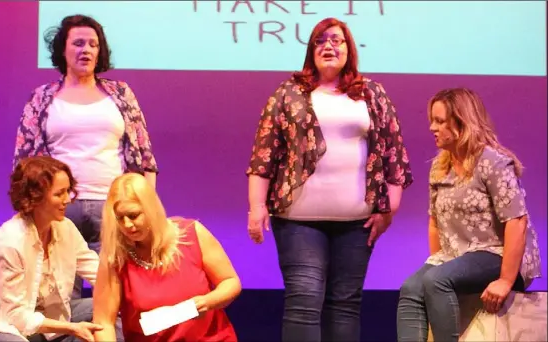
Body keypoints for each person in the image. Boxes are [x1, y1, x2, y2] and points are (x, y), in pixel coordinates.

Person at [246, 17, 413, 342]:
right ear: (311, 51)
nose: (329, 47)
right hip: (297, 220)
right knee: (304, 301)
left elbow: (394, 153)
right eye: (321, 41)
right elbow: (263, 153)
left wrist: (389, 209)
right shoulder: (288, 93)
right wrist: (256, 207)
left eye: (337, 40)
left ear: (349, 49)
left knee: (345, 304)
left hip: (357, 222)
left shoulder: (371, 93)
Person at [12, 14, 158, 299]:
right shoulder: (41, 98)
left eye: (93, 44)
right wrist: (28, 210)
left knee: (117, 293)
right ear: (62, 50)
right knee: (60, 297)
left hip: (113, 208)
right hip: (59, 209)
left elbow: (144, 156)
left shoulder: (120, 94)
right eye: (78, 43)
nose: (87, 50)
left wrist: (147, 207)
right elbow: (24, 160)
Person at [396, 88, 542, 341]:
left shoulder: (493, 163)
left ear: (462, 124)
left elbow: (517, 221)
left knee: (436, 281)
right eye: (432, 120)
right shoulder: (440, 167)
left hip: (496, 251)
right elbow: (435, 223)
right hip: (458, 255)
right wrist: (440, 262)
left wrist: (505, 280)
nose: (432, 127)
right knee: (411, 288)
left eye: (440, 121)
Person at [0, 156, 124, 342]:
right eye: (59, 194)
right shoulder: (10, 241)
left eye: (68, 191)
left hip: (46, 318)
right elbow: (17, 317)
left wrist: (136, 294)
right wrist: (72, 328)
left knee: (108, 308)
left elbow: (97, 272)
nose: (68, 199)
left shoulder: (65, 228)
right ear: (35, 197)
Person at [92, 173, 241, 341]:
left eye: (133, 216)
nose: (127, 225)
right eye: (120, 218)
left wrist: (208, 302)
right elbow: (103, 322)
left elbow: (230, 281)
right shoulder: (115, 256)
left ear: (151, 209)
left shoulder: (192, 233)